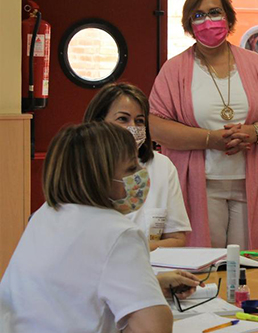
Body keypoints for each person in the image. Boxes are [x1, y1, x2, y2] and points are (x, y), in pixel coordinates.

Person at [0, 122, 203, 333]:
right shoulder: (118, 233)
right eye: (131, 168)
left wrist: (150, 286)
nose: (141, 174)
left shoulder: (46, 214)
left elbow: (76, 289)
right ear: (99, 177)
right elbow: (153, 329)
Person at [149, 0, 258, 249]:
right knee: (205, 262)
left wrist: (254, 132)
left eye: (215, 12)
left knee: (248, 261)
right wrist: (210, 139)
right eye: (198, 15)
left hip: (249, 184)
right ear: (189, 24)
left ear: (228, 16)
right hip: (200, 184)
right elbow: (156, 126)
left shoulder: (255, 65)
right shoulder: (174, 70)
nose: (208, 21)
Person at [84, 82, 192, 250]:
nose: (133, 128)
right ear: (99, 122)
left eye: (139, 121)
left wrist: (135, 250)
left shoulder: (161, 166)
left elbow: (177, 238)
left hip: (150, 263)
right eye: (123, 119)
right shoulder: (82, 166)